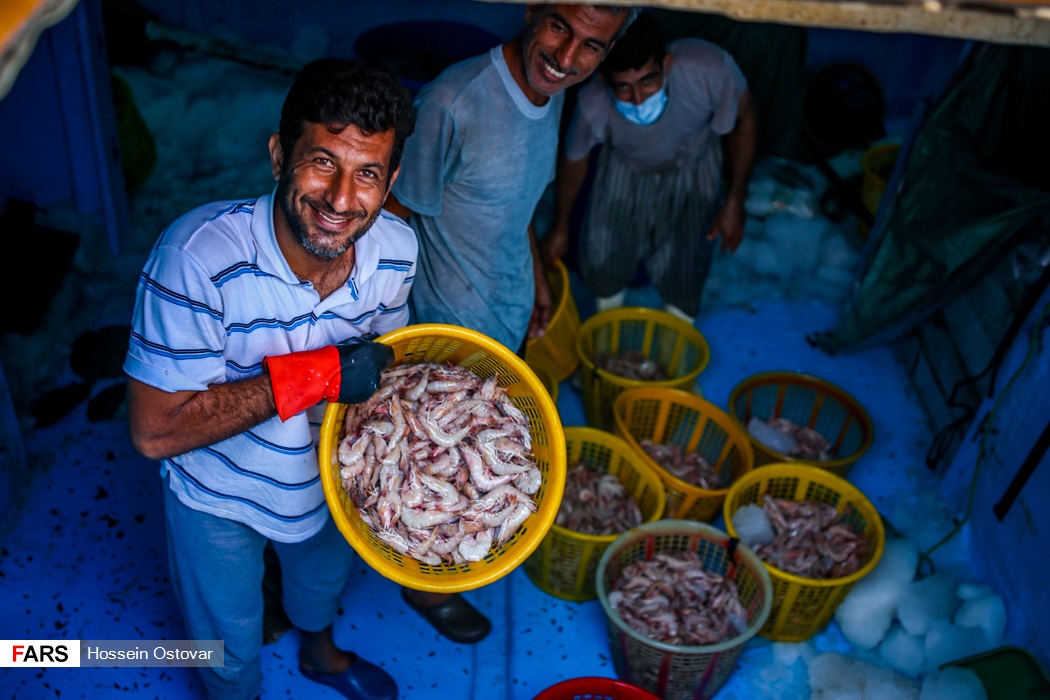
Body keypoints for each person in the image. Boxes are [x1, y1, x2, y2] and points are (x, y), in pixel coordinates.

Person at [123, 59, 417, 700]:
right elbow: (152, 432)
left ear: (390, 179)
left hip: (330, 485)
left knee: (320, 589)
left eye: (367, 173)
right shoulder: (193, 257)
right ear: (280, 156)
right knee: (225, 644)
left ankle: (319, 652)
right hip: (217, 496)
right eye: (322, 162)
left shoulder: (398, 248)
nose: (342, 199)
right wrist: (318, 374)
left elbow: (383, 364)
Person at [383, 3, 637, 644]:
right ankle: (427, 586)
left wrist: (538, 277)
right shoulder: (454, 102)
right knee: (435, 474)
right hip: (448, 336)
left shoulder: (552, 95)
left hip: (510, 309)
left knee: (488, 467)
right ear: (531, 11)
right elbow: (395, 217)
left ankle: (438, 571)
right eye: (559, 28)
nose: (568, 56)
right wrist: (390, 336)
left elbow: (513, 201)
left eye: (592, 48)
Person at [540, 11, 758, 322]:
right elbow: (575, 161)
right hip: (626, 165)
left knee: (684, 263)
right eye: (623, 88)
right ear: (604, 80)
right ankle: (607, 331)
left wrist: (736, 198)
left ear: (666, 65)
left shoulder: (710, 68)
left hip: (694, 161)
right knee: (603, 255)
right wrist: (560, 226)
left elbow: (745, 118)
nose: (639, 98)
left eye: (648, 80)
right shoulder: (593, 103)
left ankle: (677, 331)